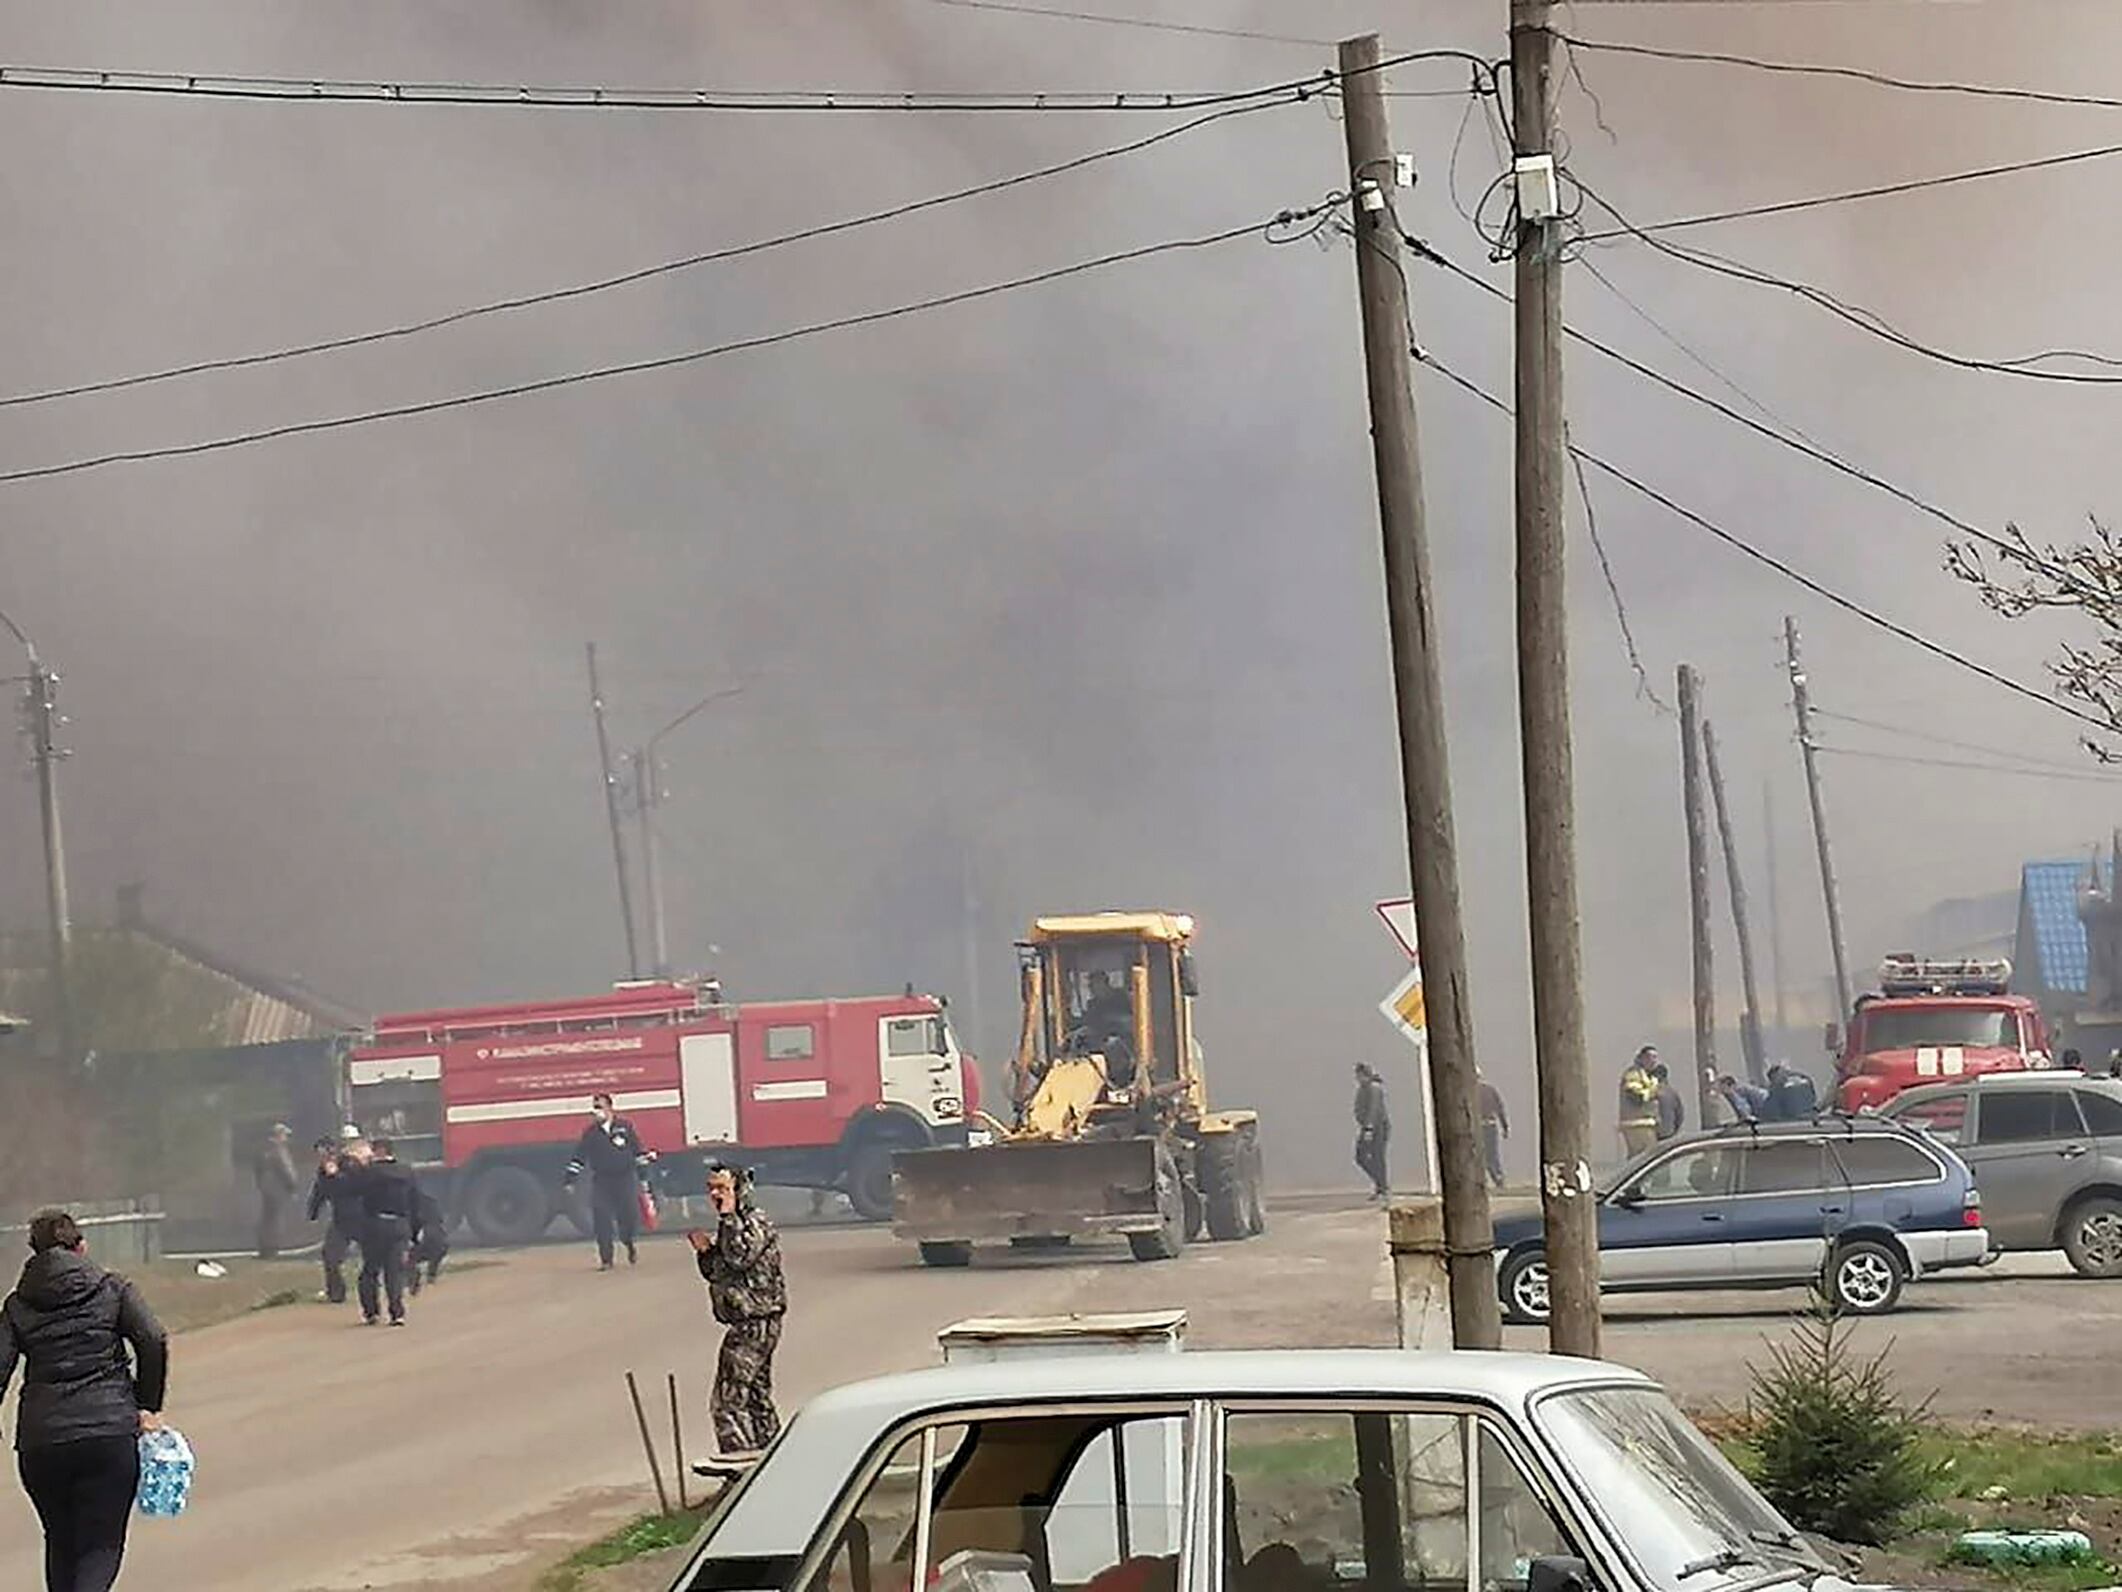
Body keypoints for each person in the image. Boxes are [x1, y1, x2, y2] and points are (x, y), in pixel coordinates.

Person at [0, 1208, 169, 1592]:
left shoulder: (17, 1305)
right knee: (99, 1545)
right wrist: (148, 1405)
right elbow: (152, 1338)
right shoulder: (113, 1289)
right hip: (108, 1433)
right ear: (81, 1247)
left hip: (41, 1441)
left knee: (60, 1541)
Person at [688, 1162, 787, 1456]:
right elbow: (721, 1271)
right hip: (748, 1320)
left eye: (723, 1188)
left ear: (740, 1189)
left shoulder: (755, 1221)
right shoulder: (732, 1224)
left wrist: (728, 1216)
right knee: (756, 1397)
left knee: (727, 1403)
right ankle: (771, 1456)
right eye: (712, 1189)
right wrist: (706, 1253)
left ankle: (740, 1472)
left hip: (755, 1322)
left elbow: (741, 1257)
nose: (716, 1195)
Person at [563, 1093, 658, 1272]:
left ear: (610, 1108)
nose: (596, 1111)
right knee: (601, 1218)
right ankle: (606, 1259)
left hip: (625, 1179)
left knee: (628, 1216)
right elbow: (579, 1157)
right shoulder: (590, 1133)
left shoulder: (625, 1127)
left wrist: (644, 1178)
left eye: (600, 1107)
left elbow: (638, 1152)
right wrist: (570, 1180)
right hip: (602, 1181)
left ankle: (628, 1242)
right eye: (594, 1107)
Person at [356, 1137, 423, 1328]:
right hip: (400, 1225)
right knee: (394, 1271)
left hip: (375, 1225)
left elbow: (353, 1190)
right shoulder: (406, 1172)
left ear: (378, 1151)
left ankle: (371, 1312)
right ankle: (397, 1313)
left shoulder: (369, 1173)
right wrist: (414, 1232)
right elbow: (416, 1202)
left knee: (370, 1271)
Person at [306, 1136, 369, 1305]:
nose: (325, 1156)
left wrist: (337, 1175)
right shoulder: (323, 1170)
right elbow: (320, 1191)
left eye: (327, 1152)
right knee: (330, 1255)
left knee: (373, 1253)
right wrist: (313, 1212)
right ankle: (336, 1292)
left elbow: (358, 1185)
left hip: (361, 1216)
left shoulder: (351, 1164)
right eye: (321, 1154)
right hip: (340, 1219)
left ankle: (381, 1283)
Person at [253, 1122, 299, 1260]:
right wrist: (293, 1187)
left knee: (266, 1219)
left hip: (266, 1188)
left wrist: (261, 1184)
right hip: (278, 1188)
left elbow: (257, 1170)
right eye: (285, 1135)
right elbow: (286, 1170)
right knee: (275, 1220)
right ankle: (272, 1250)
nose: (286, 1138)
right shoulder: (279, 1150)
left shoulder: (262, 1149)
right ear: (279, 1135)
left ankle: (264, 1249)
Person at [1352, 1063, 1391, 1201]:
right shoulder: (1362, 1089)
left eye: (1359, 1075)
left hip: (1378, 1128)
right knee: (1361, 1157)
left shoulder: (1374, 1088)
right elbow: (1359, 1108)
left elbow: (1374, 1110)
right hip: (1367, 1127)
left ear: (1366, 1075)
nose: (1357, 1078)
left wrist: (1369, 1128)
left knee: (1377, 1156)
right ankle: (1381, 1184)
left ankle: (1383, 1187)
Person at [1618, 1048, 1660, 1160]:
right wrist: (1653, 1092)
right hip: (1636, 1124)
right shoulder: (1632, 1075)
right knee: (1640, 1158)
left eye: (1655, 1057)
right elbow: (1636, 1097)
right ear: (1641, 1059)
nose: (1653, 1061)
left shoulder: (1651, 1077)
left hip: (1647, 1124)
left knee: (1648, 1157)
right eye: (1650, 1057)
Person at [407, 1187, 450, 1295]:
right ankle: (431, 1275)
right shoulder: (431, 1201)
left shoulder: (409, 1204)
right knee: (437, 1251)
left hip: (424, 1233)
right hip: (439, 1236)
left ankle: (413, 1278)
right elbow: (440, 1219)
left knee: (409, 1256)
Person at [1475, 1070, 1509, 1190]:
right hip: (1491, 1125)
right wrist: (1505, 1127)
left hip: (1477, 1127)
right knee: (1492, 1155)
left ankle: (1483, 1181)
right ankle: (1498, 1179)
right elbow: (1500, 1108)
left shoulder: (1470, 1092)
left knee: (1477, 1155)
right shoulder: (1490, 1090)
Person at [1650, 1060, 1686, 1141]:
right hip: (1669, 1132)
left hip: (1655, 1133)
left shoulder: (1652, 1092)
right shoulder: (1673, 1093)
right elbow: (1680, 1115)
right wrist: (1674, 1129)